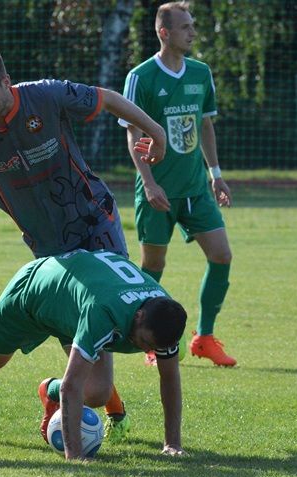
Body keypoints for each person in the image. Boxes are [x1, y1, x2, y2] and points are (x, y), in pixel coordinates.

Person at [0, 41, 168, 441]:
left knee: (94, 386)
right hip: (54, 258)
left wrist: (156, 131)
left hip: (98, 226)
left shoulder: (46, 95)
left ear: (7, 81)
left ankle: (61, 394)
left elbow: (107, 98)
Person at [0, 249, 188, 460]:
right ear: (139, 315)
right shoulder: (104, 313)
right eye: (144, 342)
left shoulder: (165, 318)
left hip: (73, 307)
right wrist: (74, 455)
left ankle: (48, 391)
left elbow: (170, 378)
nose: (145, 350)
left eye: (152, 348)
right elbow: (72, 386)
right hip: (34, 294)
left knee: (98, 391)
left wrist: (172, 444)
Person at [120, 1, 236, 367]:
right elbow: (133, 134)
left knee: (222, 256)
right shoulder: (141, 77)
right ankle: (151, 341)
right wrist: (149, 182)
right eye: (185, 27)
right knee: (153, 266)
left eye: (192, 25)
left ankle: (203, 337)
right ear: (164, 32)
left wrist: (216, 175)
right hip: (158, 191)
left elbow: (204, 126)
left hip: (196, 189)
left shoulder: (201, 73)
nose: (193, 32)